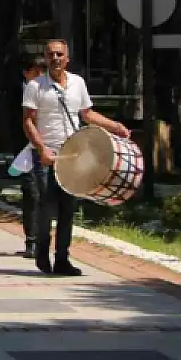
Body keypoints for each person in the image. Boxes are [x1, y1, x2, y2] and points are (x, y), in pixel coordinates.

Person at [23, 39, 129, 276]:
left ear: (67, 58)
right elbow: (28, 120)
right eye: (51, 54)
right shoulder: (36, 86)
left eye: (60, 54)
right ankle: (41, 252)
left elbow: (87, 114)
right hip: (46, 155)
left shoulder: (77, 83)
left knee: (67, 209)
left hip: (73, 154)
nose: (56, 58)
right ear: (46, 58)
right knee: (46, 207)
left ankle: (62, 259)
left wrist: (115, 127)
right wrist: (41, 149)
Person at [17, 55, 48, 258]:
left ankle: (44, 240)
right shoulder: (18, 93)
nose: (39, 76)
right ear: (26, 73)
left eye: (42, 73)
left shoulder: (47, 91)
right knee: (32, 193)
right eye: (35, 72)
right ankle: (32, 241)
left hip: (48, 148)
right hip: (25, 151)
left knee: (46, 194)